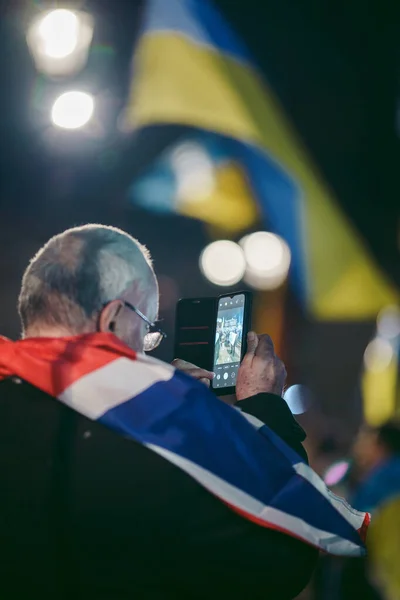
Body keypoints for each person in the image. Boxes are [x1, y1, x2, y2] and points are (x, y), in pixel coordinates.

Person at [0, 225, 366, 600]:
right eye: (145, 331)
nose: (145, 351)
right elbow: (277, 560)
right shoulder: (158, 434)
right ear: (111, 321)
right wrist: (263, 408)